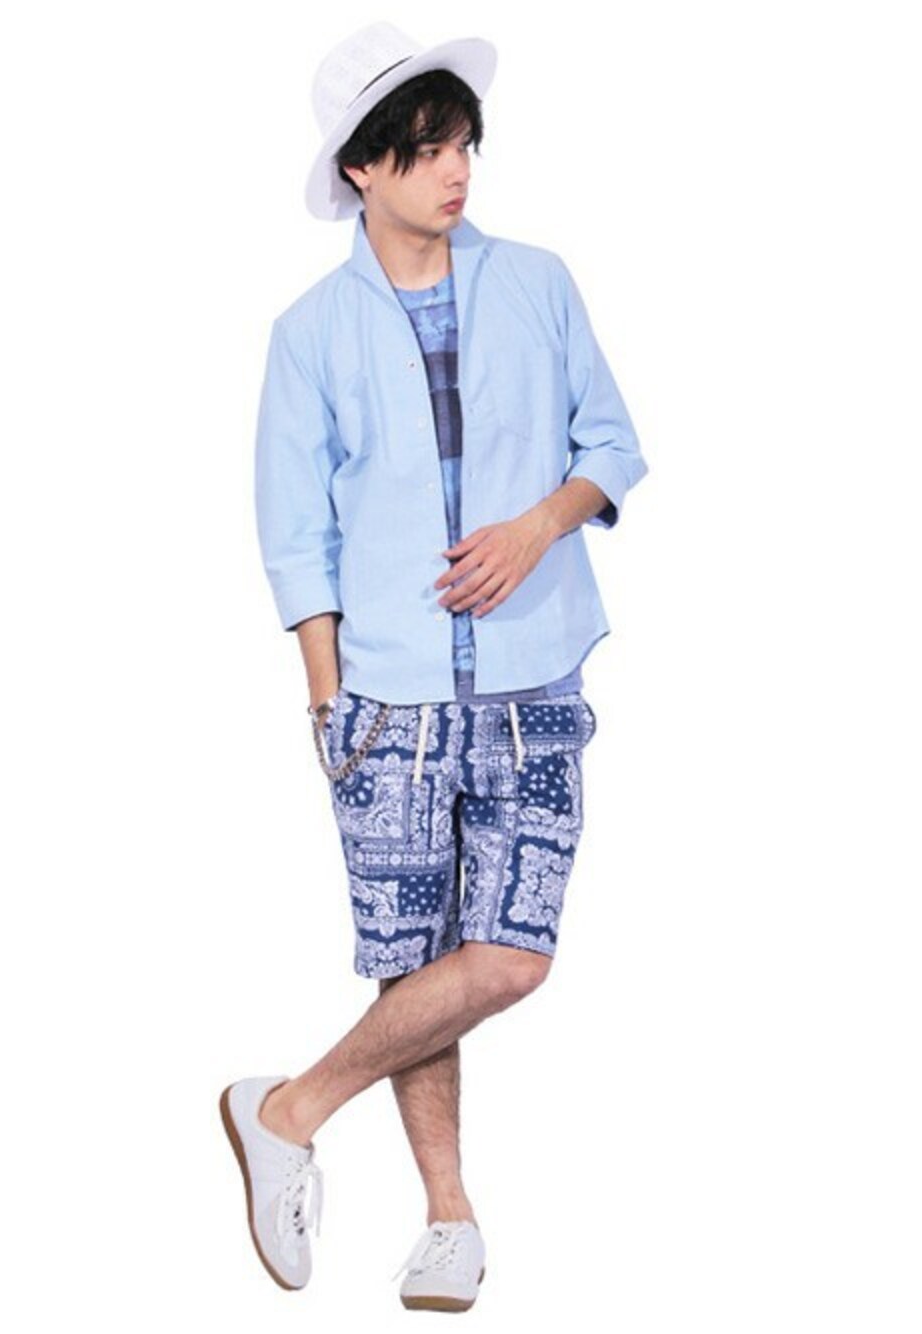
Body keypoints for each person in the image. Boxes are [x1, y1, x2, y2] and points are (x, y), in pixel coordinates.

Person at [220, 21, 648, 1313]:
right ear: (362, 168)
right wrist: (328, 704)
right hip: (386, 703)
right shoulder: (309, 334)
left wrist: (536, 526)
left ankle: (287, 1109)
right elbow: (296, 536)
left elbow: (612, 445)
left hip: (533, 689)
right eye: (424, 149)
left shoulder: (538, 283)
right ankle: (448, 1219)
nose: (456, 168)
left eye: (463, 141)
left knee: (509, 955)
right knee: (415, 967)